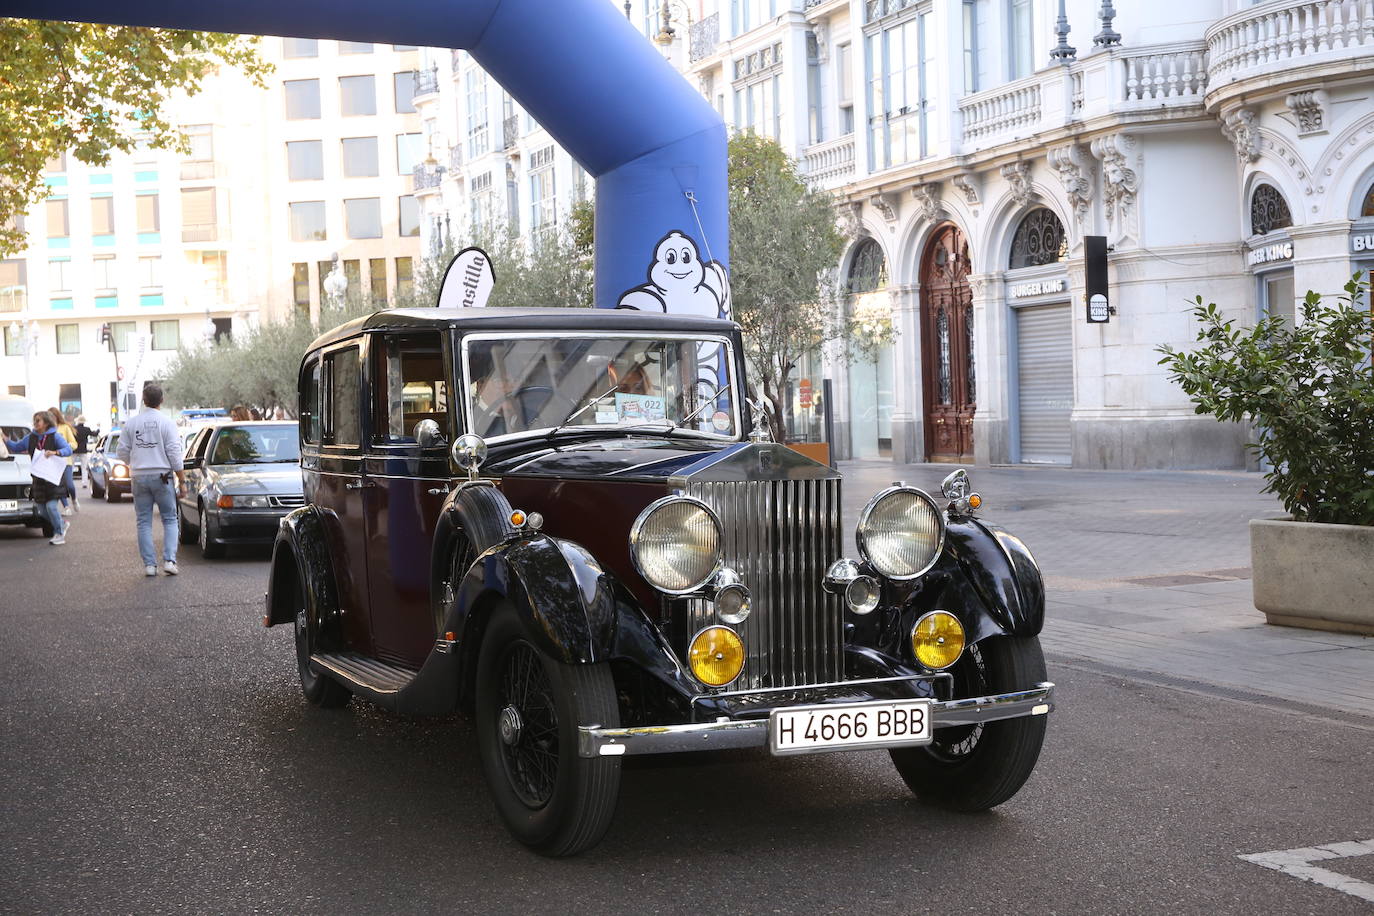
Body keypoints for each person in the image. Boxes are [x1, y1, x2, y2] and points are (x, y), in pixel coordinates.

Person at [117, 384, 186, 577]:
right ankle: (169, 560)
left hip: (139, 476)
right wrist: (182, 479)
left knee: (143, 521)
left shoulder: (131, 423)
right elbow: (174, 452)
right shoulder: (167, 422)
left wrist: (135, 462)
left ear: (143, 400)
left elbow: (121, 451)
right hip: (162, 476)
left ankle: (149, 565)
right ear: (162, 400)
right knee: (170, 519)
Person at [3, 411, 73, 545]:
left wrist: (55, 452)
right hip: (38, 479)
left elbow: (68, 449)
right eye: (34, 421)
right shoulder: (31, 437)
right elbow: (16, 447)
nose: (35, 423)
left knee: (51, 507)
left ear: (46, 423)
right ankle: (62, 524)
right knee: (41, 510)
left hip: (53, 478)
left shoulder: (55, 437)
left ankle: (59, 533)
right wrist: (5, 439)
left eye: (38, 421)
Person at [51, 408, 79, 516]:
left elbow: (74, 443)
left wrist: (65, 448)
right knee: (58, 485)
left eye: (52, 416)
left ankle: (74, 499)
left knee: (69, 484)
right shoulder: (47, 430)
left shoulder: (64, 427)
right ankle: (66, 507)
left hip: (65, 461)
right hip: (53, 462)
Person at [72, 415, 94, 486]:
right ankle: (84, 483)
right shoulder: (87, 429)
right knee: (84, 467)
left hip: (74, 449)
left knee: (71, 466)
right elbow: (94, 434)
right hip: (83, 450)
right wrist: (98, 430)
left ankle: (70, 482)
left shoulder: (73, 429)